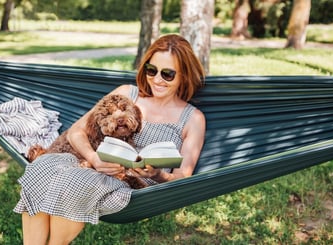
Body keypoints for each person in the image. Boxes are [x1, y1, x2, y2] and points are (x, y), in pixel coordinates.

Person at [14, 34, 206, 245]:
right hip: (92, 163)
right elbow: (77, 131)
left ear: (184, 75)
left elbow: (183, 178)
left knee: (75, 181)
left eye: (168, 74)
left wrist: (158, 174)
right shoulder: (127, 93)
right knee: (43, 166)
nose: (157, 79)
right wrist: (94, 158)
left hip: (132, 187)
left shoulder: (193, 118)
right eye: (152, 70)